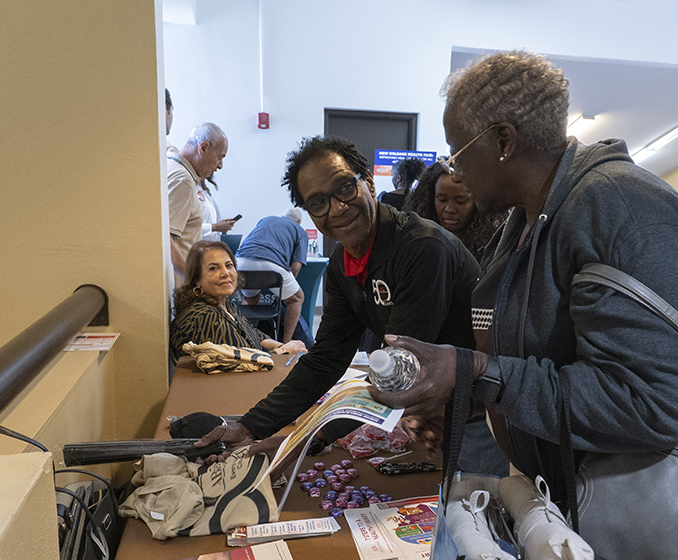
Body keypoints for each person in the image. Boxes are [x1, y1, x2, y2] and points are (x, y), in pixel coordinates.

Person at [371, 50, 678, 560]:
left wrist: (477, 374)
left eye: (455, 149)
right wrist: (469, 404)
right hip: (587, 544)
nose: (452, 169)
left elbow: (650, 403)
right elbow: (538, 361)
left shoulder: (621, 208)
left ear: (501, 140)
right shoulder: (530, 222)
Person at [197, 136, 479, 471]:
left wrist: (305, 439)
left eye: (345, 188)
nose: (337, 208)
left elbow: (401, 370)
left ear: (369, 184)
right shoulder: (342, 264)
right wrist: (248, 427)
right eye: (317, 203)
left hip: (478, 410)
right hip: (430, 407)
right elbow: (327, 359)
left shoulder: (423, 248)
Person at [170, 240, 306, 359]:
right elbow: (245, 362)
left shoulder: (224, 304)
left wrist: (282, 345)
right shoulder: (204, 317)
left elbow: (255, 336)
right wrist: (284, 350)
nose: (226, 273)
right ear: (197, 280)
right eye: (213, 268)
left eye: (229, 265)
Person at [235, 208, 312, 346]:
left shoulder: (266, 219)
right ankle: (285, 344)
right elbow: (295, 266)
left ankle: (243, 340)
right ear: (299, 222)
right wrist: (283, 291)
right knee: (297, 299)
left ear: (283, 216)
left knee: (250, 298)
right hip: (271, 264)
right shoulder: (300, 231)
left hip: (240, 261)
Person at [404, 159, 507, 261]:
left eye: (461, 201)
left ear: (478, 200)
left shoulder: (493, 247)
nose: (450, 209)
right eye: (442, 200)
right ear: (430, 198)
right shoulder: (415, 241)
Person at [168, 123, 228, 283]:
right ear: (203, 147)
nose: (220, 165)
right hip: (180, 284)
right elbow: (165, 239)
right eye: (220, 157)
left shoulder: (171, 167)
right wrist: (195, 282)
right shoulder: (183, 180)